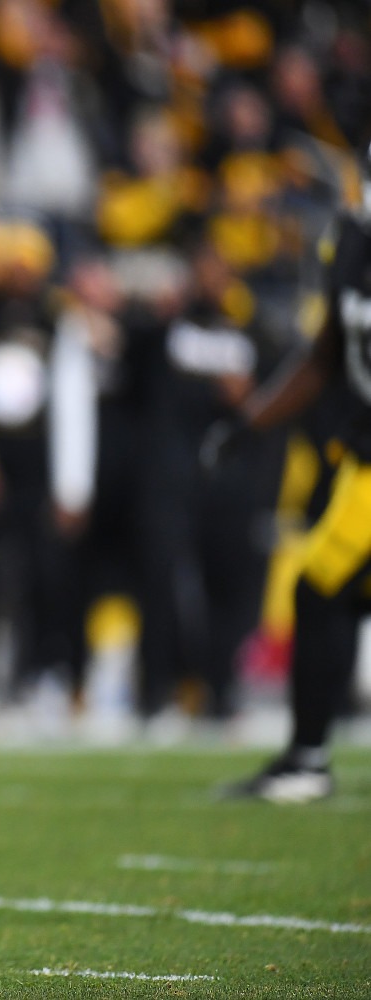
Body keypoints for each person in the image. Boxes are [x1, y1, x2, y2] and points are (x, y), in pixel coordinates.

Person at [209, 141, 371, 803]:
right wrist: (251, 421)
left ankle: (307, 759)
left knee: (325, 587)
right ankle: (307, 758)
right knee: (322, 587)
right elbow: (324, 354)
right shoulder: (353, 242)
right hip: (365, 458)